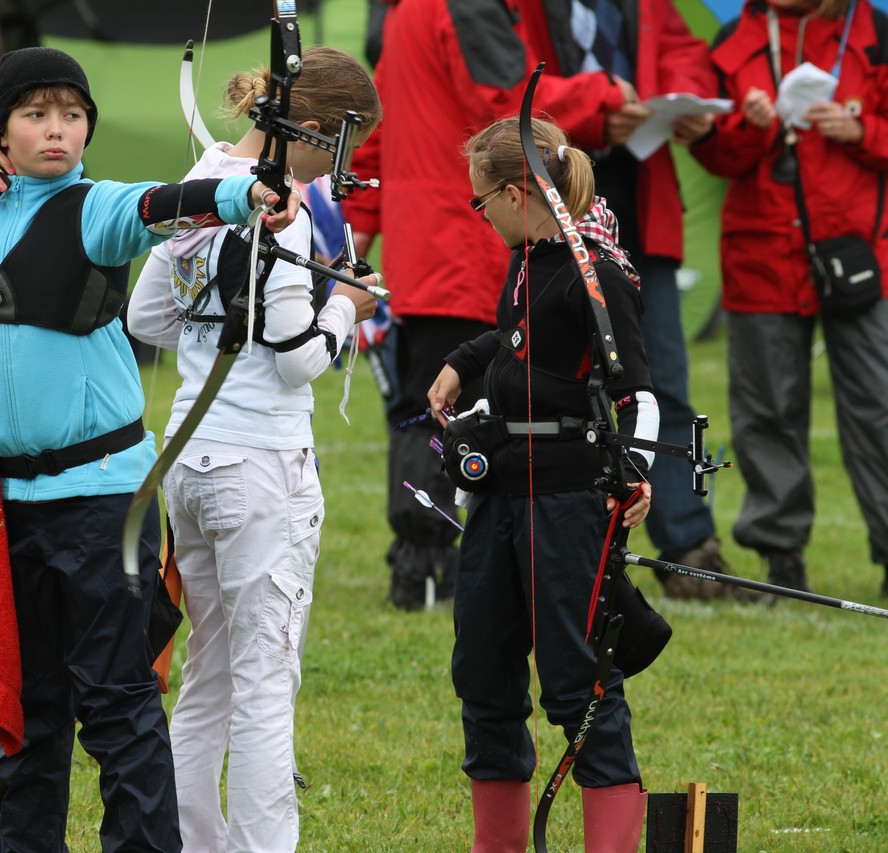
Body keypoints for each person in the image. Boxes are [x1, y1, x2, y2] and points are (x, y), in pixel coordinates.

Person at [0, 45, 300, 851]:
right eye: (34, 114)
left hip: (104, 501)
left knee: (117, 703)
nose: (56, 130)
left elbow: (166, 202)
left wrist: (246, 194)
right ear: (0, 130)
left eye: (71, 114)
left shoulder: (94, 206)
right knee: (30, 713)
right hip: (16, 505)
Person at [346, 0, 721, 609]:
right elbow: (508, 110)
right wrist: (600, 100)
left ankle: (423, 570)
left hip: (427, 250)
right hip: (467, 246)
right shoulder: (467, 9)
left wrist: (363, 224)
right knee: (470, 415)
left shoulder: (407, 11)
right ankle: (445, 568)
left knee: (429, 408)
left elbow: (379, 129)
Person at [126, 47, 382, 853]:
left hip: (192, 463)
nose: (343, 166)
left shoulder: (203, 179)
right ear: (309, 129)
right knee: (266, 686)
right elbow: (297, 353)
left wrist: (213, 329)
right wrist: (349, 305)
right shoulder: (286, 210)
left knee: (208, 676)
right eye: (343, 146)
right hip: (261, 467)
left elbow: (147, 316)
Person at [427, 116, 656, 852]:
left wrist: (636, 472)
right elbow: (521, 336)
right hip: (501, 492)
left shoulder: (597, 268)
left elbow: (640, 394)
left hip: (565, 500)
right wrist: (465, 359)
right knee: (483, 672)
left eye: (482, 200)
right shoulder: (532, 256)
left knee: (576, 681)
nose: (481, 213)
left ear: (519, 190)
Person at [524, 0, 745, 600]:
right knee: (549, 389)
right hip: (549, 220)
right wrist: (597, 109)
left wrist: (685, 103)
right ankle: (557, 544)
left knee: (660, 386)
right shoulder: (513, 9)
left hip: (642, 214)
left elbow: (684, 55)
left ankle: (689, 549)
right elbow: (505, 96)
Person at [686, 0, 888, 596]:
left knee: (879, 406)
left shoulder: (876, 32)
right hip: (760, 256)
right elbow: (712, 155)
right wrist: (750, 127)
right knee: (767, 410)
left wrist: (863, 130)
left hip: (859, 253)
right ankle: (781, 559)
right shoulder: (731, 39)